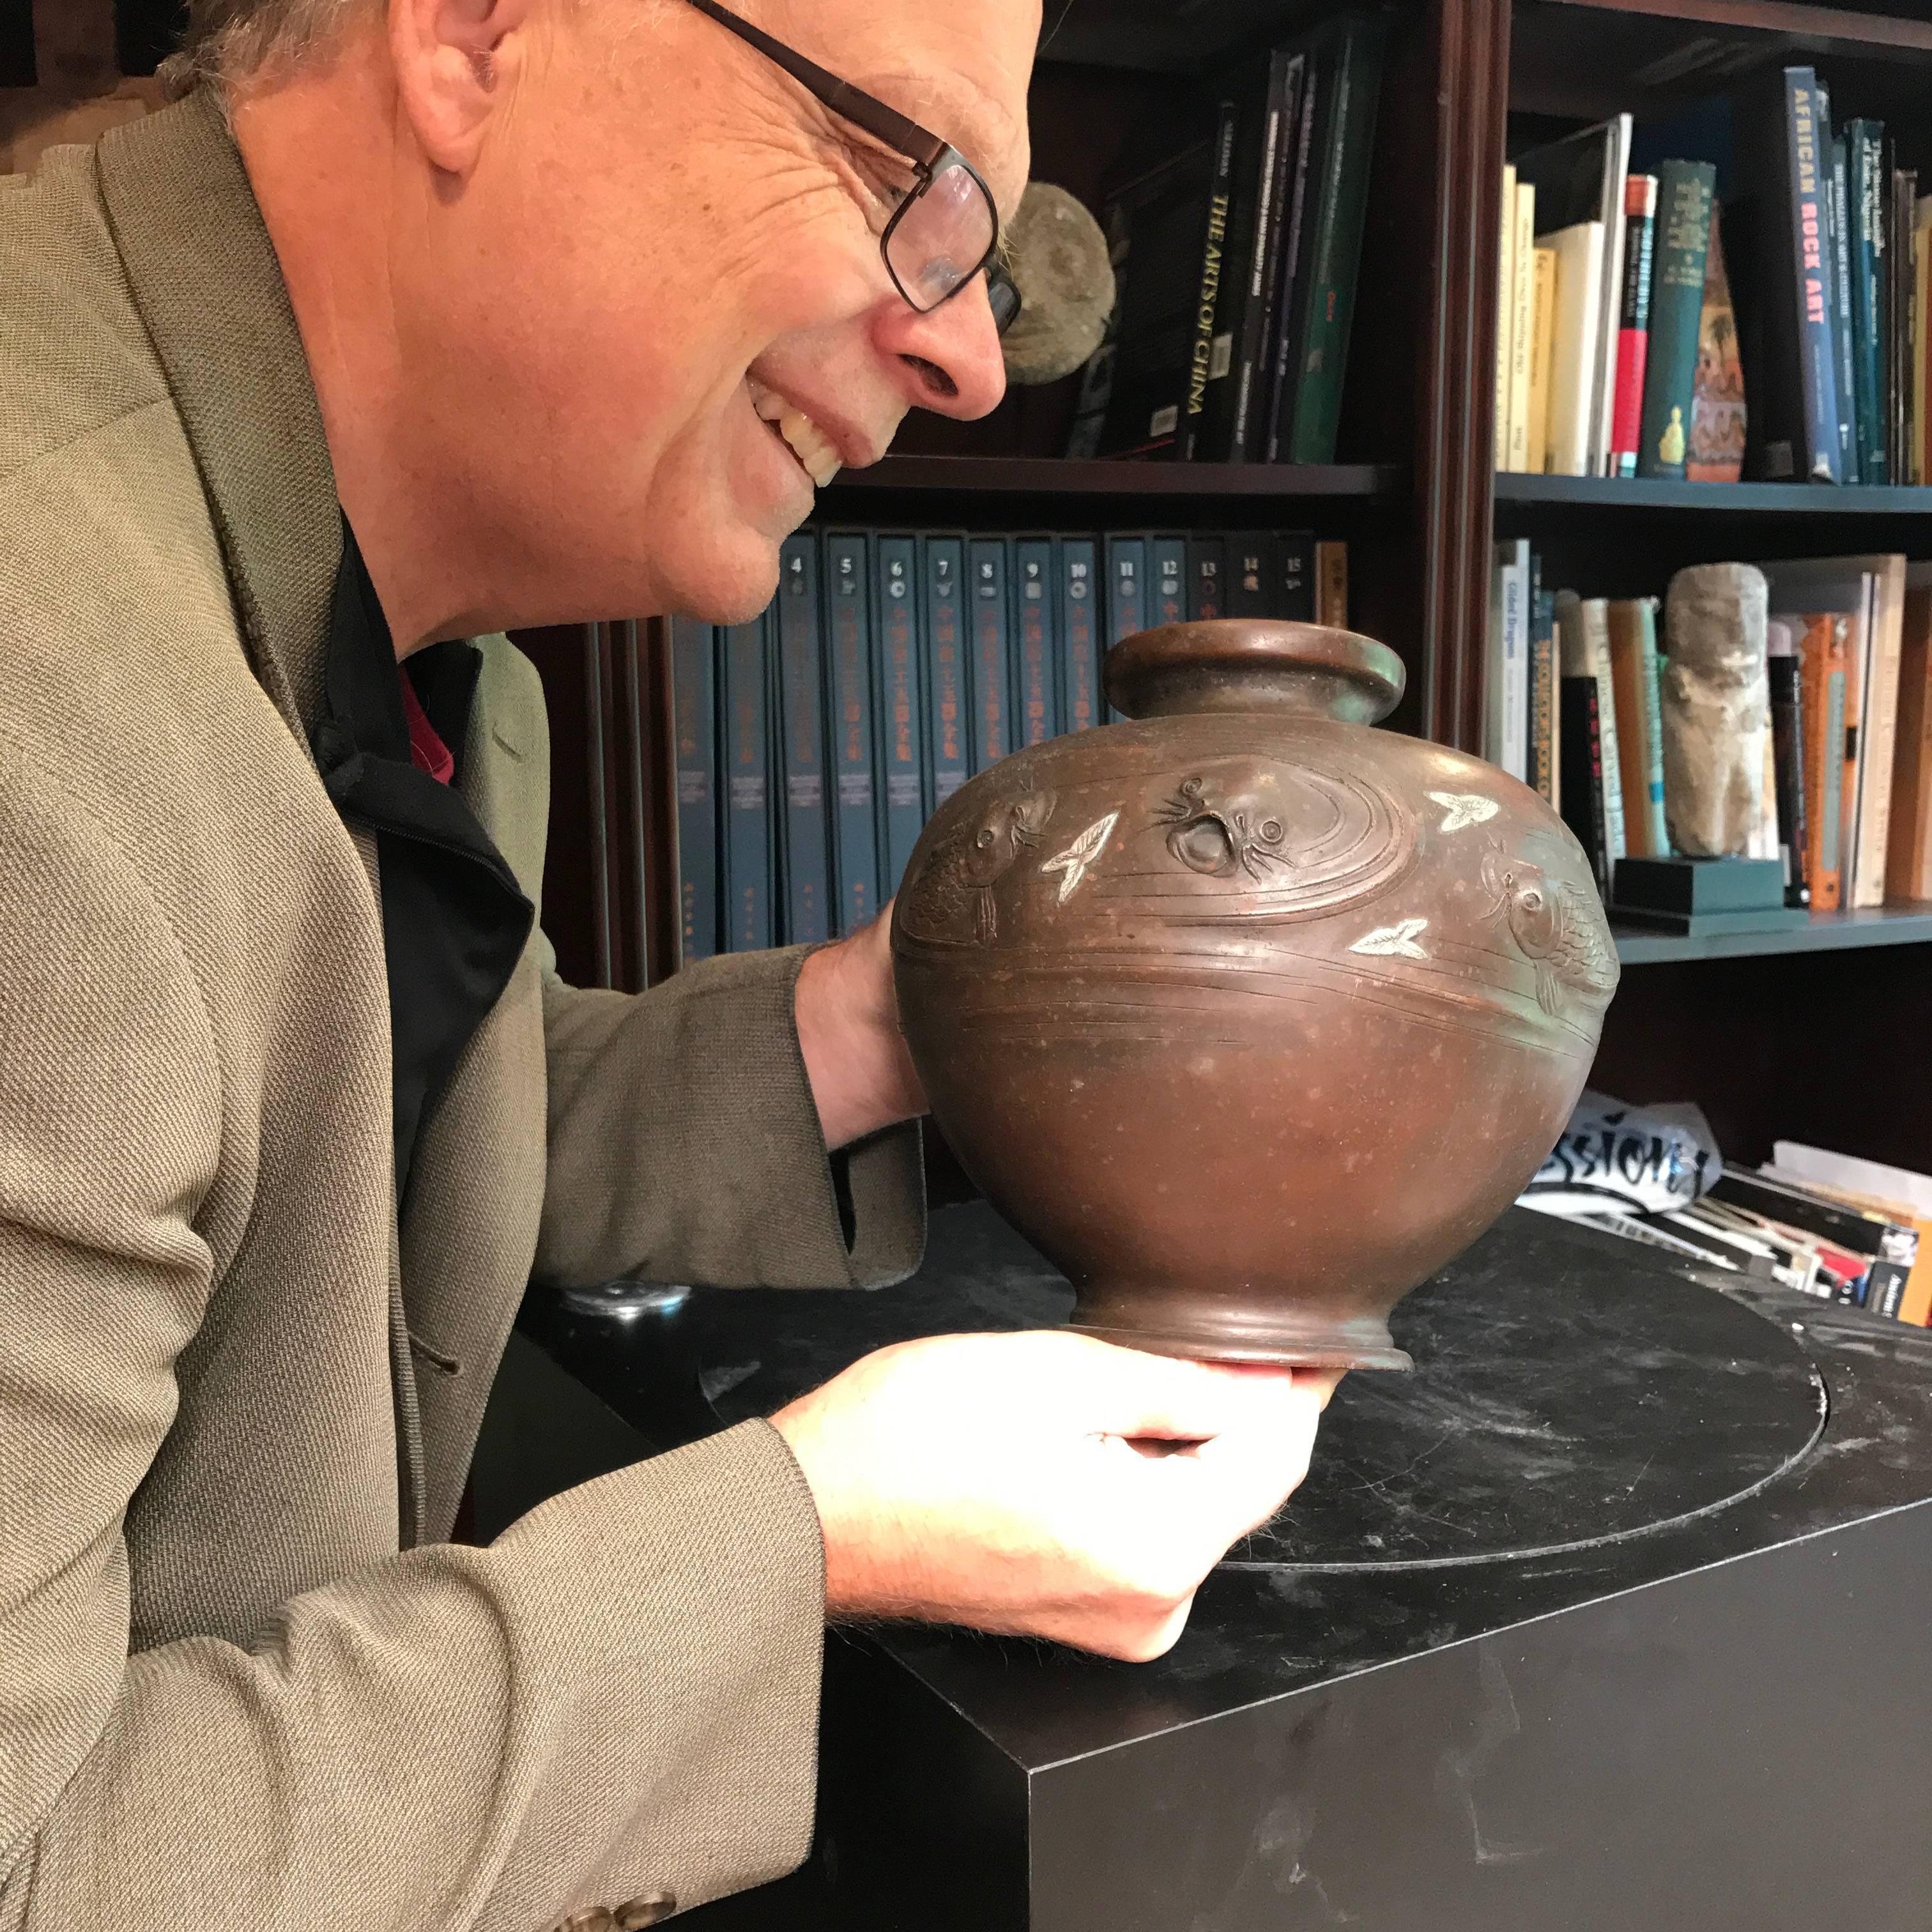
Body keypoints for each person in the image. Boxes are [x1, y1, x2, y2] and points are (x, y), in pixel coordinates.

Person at [0, 0, 1336, 1923]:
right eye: (908, 176)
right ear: (476, 33)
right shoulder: (44, 707)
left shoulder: (418, 660)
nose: (971, 354)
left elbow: (331, 1111)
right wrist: (799, 1544)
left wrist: (894, 1020)